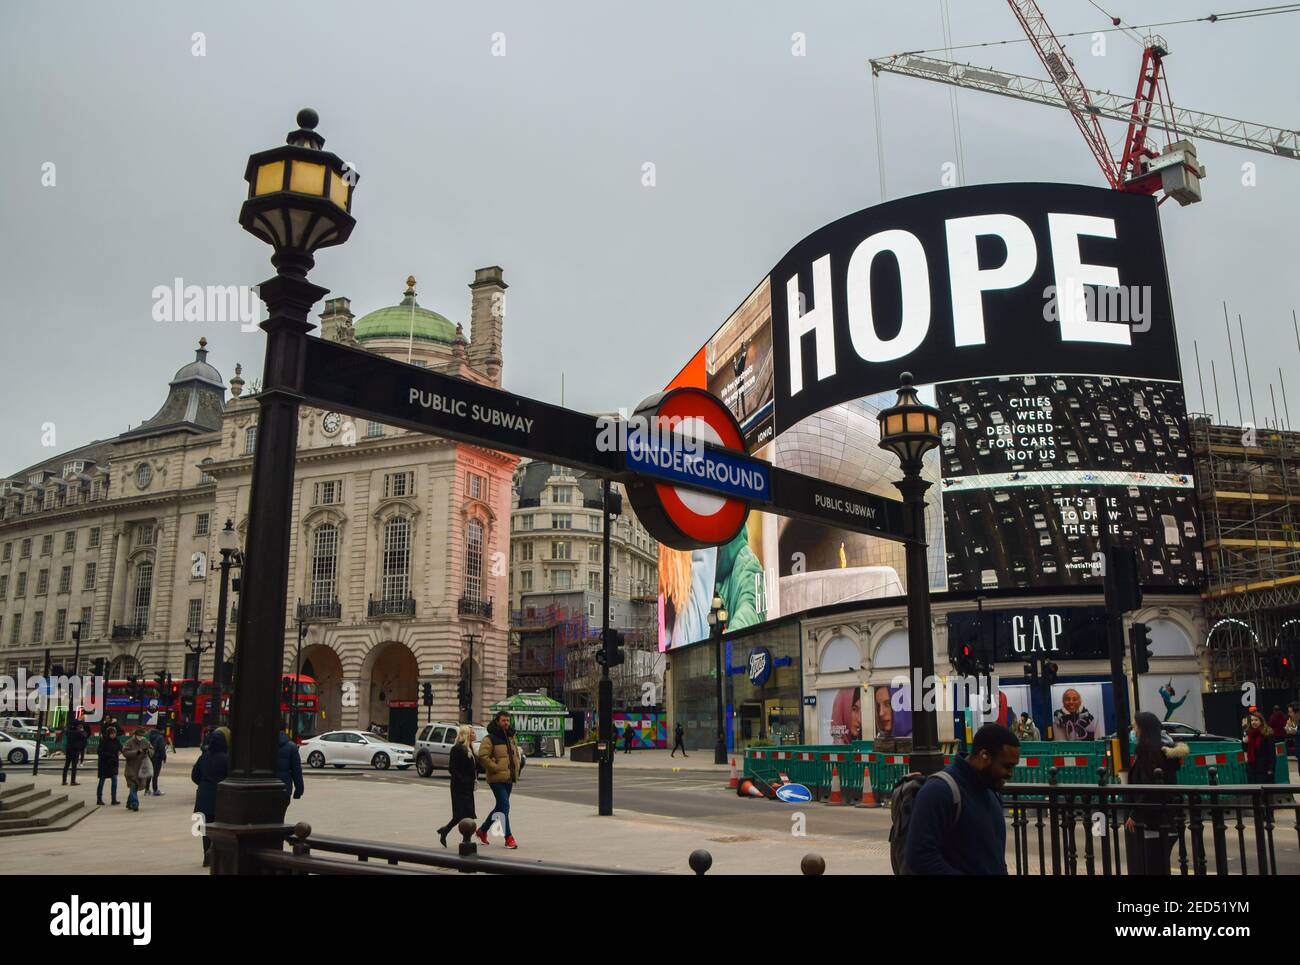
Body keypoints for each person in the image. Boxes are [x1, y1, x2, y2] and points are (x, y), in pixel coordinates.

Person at [903, 723, 1021, 875]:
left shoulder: (991, 792)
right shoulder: (939, 791)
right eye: (1006, 766)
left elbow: (995, 858)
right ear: (984, 756)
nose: (1010, 774)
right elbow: (920, 856)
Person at [1124, 711, 1189, 875]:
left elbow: (1150, 788)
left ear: (1144, 729)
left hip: (1156, 821)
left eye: (1135, 726)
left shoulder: (1150, 753)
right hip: (1165, 819)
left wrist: (1135, 813)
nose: (1133, 729)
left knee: (1153, 867)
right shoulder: (1160, 750)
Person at [476, 710, 522, 849]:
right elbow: (483, 756)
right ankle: (508, 838)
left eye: (508, 720)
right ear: (497, 721)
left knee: (500, 807)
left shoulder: (511, 736)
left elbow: (515, 754)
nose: (506, 723)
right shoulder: (490, 738)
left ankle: (482, 830)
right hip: (496, 778)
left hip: (509, 777)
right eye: (503, 720)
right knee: (505, 806)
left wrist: (517, 767)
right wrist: (494, 767)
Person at [437, 725, 479, 847]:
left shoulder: (469, 748)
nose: (474, 734)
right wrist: (464, 781)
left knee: (465, 814)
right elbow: (453, 769)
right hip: (460, 787)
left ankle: (445, 830)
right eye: (472, 732)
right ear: (467, 735)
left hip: (467, 787)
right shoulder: (457, 749)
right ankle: (465, 839)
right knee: (463, 814)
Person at [192, 729, 229, 867]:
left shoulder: (204, 757)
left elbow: (194, 775)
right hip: (220, 797)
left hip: (203, 797)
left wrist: (203, 785)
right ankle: (214, 852)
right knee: (218, 827)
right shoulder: (226, 758)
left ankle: (206, 853)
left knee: (205, 829)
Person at [121, 728, 154, 812]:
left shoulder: (145, 741)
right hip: (131, 768)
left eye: (142, 736)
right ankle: (135, 804)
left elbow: (152, 750)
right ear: (135, 735)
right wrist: (137, 752)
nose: (141, 737)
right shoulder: (129, 742)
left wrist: (148, 752)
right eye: (139, 735)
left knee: (135, 787)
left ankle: (129, 803)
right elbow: (125, 753)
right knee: (133, 785)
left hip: (141, 768)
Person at [1243, 711, 1276, 783]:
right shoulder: (1249, 733)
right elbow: (1246, 751)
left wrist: (1271, 769)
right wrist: (1245, 743)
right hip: (1252, 768)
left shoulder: (1267, 733)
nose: (1253, 722)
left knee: (1264, 791)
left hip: (1264, 768)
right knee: (1254, 790)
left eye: (1256, 720)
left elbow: (1272, 752)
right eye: (1252, 720)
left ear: (1261, 721)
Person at [275, 731, 305, 806]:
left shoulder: (262, 745)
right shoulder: (291, 747)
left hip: (264, 789)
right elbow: (297, 771)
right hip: (284, 788)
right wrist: (299, 790)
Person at [96, 723, 122, 806]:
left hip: (113, 764)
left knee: (114, 781)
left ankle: (113, 799)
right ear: (109, 734)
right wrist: (110, 755)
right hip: (104, 764)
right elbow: (100, 752)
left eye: (114, 733)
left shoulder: (116, 740)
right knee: (102, 781)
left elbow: (121, 748)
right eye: (112, 734)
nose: (114, 735)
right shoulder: (103, 741)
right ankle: (99, 798)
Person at [62, 720, 87, 786]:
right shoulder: (79, 732)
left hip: (69, 749)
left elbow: (66, 733)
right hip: (75, 750)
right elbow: (84, 738)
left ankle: (64, 780)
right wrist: (82, 731)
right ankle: (72, 781)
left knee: (66, 765)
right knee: (74, 766)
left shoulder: (69, 732)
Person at [146, 726, 168, 795]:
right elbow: (161, 749)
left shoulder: (150, 736)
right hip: (157, 758)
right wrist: (164, 757)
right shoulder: (160, 737)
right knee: (155, 774)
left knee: (149, 773)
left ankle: (147, 790)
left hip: (150, 756)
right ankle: (155, 790)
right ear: (161, 730)